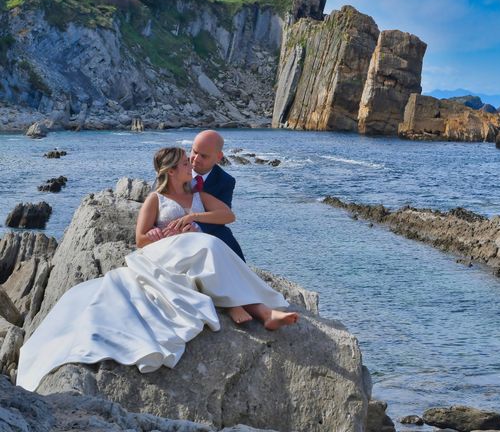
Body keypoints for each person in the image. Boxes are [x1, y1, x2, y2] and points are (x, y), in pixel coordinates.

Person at [16, 147, 298, 393]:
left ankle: (256, 309)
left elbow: (228, 215)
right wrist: (157, 234)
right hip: (166, 253)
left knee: (211, 246)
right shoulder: (156, 199)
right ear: (173, 171)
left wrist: (194, 216)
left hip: (193, 248)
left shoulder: (198, 195)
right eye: (186, 163)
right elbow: (139, 239)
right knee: (209, 247)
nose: (192, 165)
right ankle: (256, 309)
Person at [190, 130, 245, 262]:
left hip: (208, 230)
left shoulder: (225, 181)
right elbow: (155, 201)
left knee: (233, 256)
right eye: (194, 152)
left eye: (204, 156)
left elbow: (222, 217)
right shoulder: (174, 167)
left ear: (218, 157)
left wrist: (196, 227)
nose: (196, 159)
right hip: (170, 227)